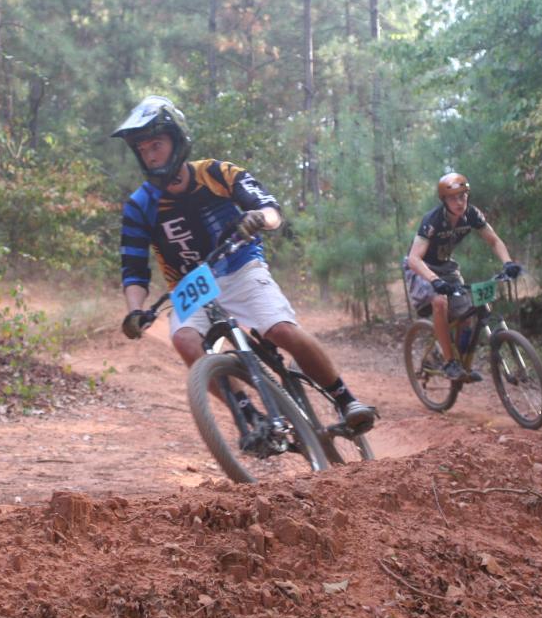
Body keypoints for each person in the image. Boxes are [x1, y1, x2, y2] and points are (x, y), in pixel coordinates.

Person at [113, 94, 376, 433]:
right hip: (189, 286)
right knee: (184, 340)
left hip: (239, 265)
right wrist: (135, 311)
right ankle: (248, 413)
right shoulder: (139, 205)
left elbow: (270, 209)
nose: (150, 155)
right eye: (143, 150)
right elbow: (133, 268)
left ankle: (345, 398)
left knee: (279, 329)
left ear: (176, 140)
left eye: (156, 145)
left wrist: (258, 218)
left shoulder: (215, 172)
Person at [403, 172, 522, 382]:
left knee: (467, 315)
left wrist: (508, 263)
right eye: (453, 198)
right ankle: (450, 363)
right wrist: (434, 280)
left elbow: (494, 241)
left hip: (446, 267)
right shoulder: (433, 220)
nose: (459, 202)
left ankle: (452, 357)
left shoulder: (472, 215)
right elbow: (414, 258)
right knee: (440, 301)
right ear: (444, 201)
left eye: (463, 196)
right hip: (421, 268)